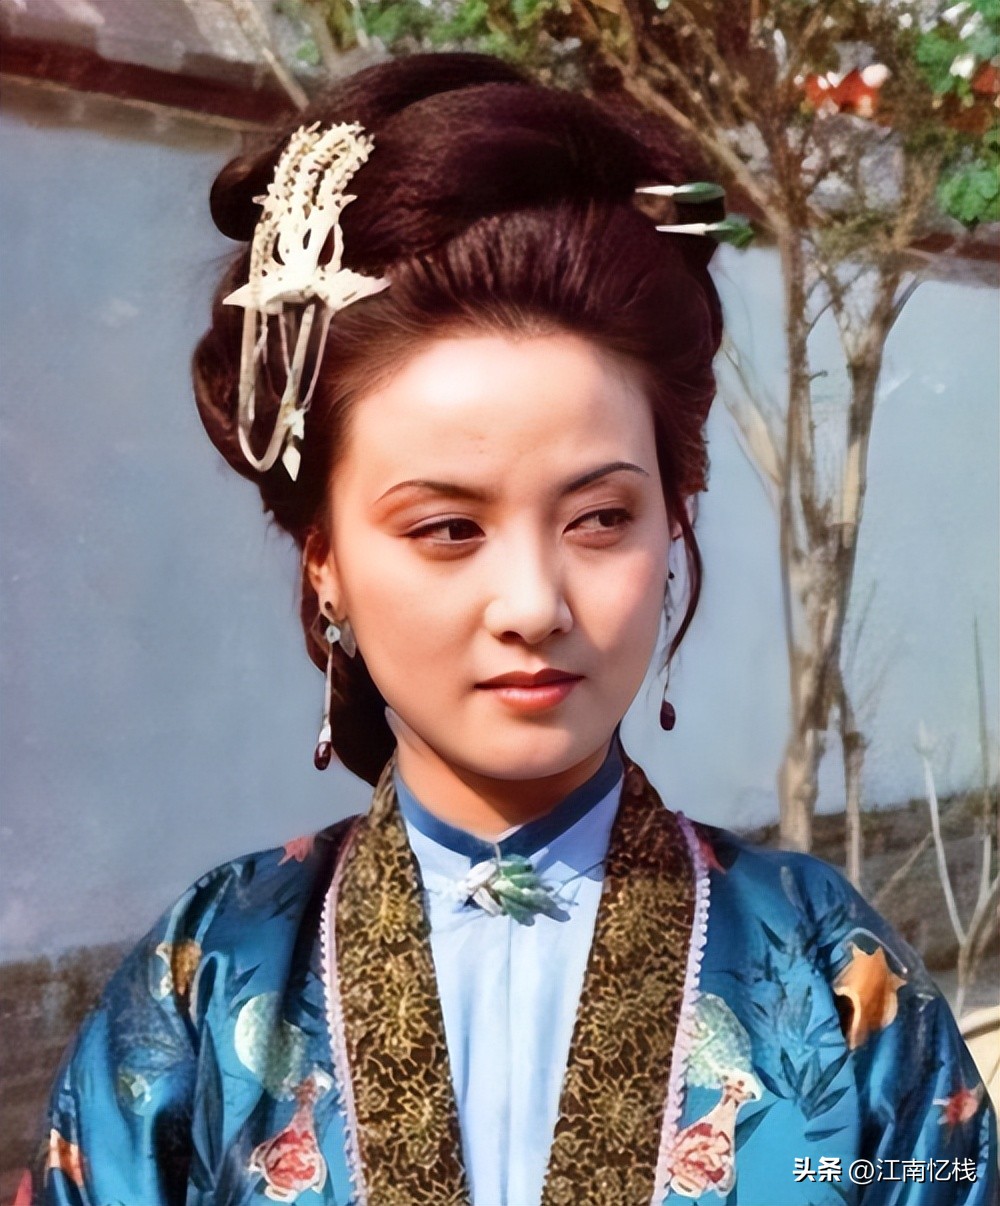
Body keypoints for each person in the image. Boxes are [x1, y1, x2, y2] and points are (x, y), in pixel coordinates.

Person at [25, 51, 996, 1206]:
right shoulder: (207, 985)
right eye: (446, 528)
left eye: (599, 519)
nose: (534, 604)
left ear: (674, 520)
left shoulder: (836, 982)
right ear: (324, 559)